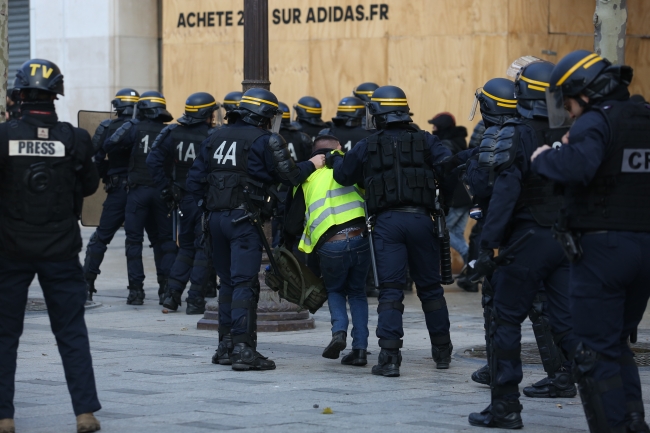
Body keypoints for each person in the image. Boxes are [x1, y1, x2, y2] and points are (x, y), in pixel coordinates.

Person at [531, 50, 650, 433]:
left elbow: (577, 167)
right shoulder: (644, 118)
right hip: (644, 250)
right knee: (616, 343)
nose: (569, 112)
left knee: (593, 351)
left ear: (584, 92)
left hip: (603, 250)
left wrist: (544, 156)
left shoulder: (596, 122)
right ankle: (633, 423)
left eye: (568, 103)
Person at [467, 60, 578, 429]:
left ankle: (505, 407)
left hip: (525, 240)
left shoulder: (517, 132)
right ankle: (607, 401)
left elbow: (504, 191)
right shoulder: (574, 131)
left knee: (505, 319)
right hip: (565, 240)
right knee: (566, 324)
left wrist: (488, 244)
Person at [187, 88, 325, 371]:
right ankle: (243, 349)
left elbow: (194, 181)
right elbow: (290, 175)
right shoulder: (267, 140)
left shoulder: (214, 137)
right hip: (244, 221)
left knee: (226, 282)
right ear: (264, 115)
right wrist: (312, 163)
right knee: (244, 283)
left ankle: (225, 346)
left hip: (215, 219)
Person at [0, 59, 101, 433]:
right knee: (71, 331)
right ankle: (84, 413)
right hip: (61, 250)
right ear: (55, 95)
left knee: (5, 335)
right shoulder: (75, 138)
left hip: (10, 250)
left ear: (19, 94)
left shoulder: (3, 136)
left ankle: (4, 417)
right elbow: (89, 186)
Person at [330, 85, 453, 376]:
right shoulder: (427, 140)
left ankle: (389, 358)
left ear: (378, 115)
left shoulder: (366, 144)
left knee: (390, 290)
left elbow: (343, 175)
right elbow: (448, 165)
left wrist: (336, 158)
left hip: (387, 224)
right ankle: (442, 352)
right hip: (422, 220)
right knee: (431, 288)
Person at [284, 134, 370, 364]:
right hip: (359, 237)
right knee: (358, 293)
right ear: (339, 149)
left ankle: (338, 333)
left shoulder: (306, 179)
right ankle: (360, 349)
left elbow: (292, 223)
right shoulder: (350, 168)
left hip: (330, 245)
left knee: (335, 290)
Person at [146, 92, 218, 314]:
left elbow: (153, 161)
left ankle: (172, 296)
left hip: (184, 200)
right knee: (203, 249)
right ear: (206, 114)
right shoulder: (212, 136)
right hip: (205, 200)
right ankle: (195, 299)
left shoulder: (172, 132)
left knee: (185, 247)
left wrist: (167, 188)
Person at [105, 91, 177, 305]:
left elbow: (109, 145)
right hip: (161, 193)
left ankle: (136, 291)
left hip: (137, 193)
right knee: (164, 242)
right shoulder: (169, 131)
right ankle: (166, 289)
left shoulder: (134, 128)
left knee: (133, 242)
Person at [82, 88, 139, 300]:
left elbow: (95, 158)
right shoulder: (142, 128)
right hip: (139, 191)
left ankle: (87, 284)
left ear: (117, 107)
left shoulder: (107, 127)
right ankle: (137, 291)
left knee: (101, 238)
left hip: (116, 190)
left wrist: (106, 174)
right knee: (136, 240)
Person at [429, 112, 471, 268]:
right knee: (457, 234)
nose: (432, 129)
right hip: (465, 195)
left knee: (443, 231)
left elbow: (445, 170)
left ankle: (471, 257)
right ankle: (472, 262)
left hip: (454, 196)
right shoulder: (458, 141)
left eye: (435, 126)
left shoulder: (445, 145)